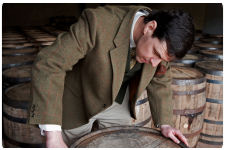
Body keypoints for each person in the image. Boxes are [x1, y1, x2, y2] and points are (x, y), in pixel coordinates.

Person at [28, 5, 194, 148]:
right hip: (79, 99)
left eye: (161, 59)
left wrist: (165, 124)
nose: (154, 63)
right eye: (156, 53)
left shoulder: (163, 45)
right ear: (150, 27)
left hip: (119, 102)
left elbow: (160, 79)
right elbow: (49, 63)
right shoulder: (98, 22)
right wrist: (53, 135)